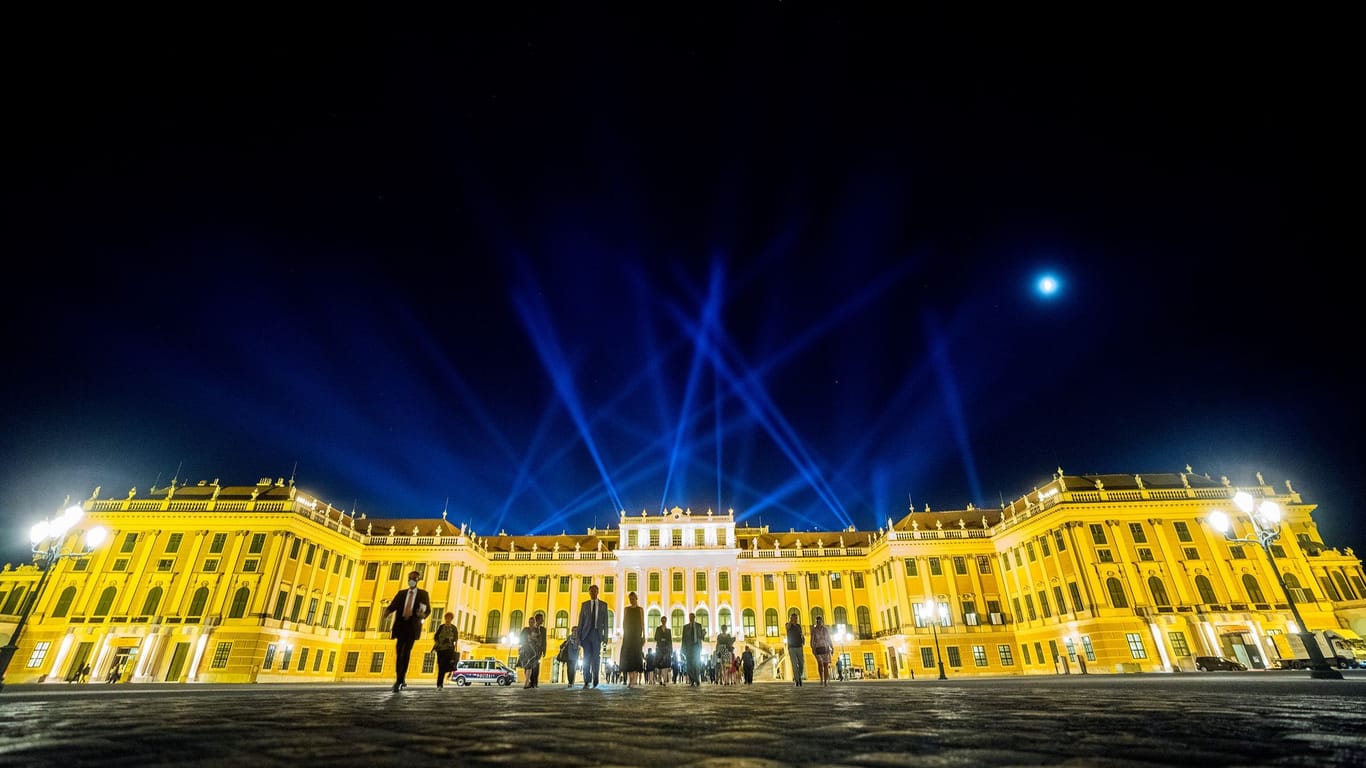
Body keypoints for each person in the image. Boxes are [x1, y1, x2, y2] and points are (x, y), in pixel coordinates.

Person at [382, 570, 430, 692]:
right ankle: (400, 678)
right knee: (399, 652)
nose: (411, 580)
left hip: (412, 626)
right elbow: (393, 605)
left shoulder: (423, 594)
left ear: (418, 580)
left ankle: (400, 679)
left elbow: (428, 610)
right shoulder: (401, 593)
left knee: (406, 652)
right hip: (401, 625)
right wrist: (387, 612)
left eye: (414, 578)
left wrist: (422, 615)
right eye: (410, 578)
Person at [576, 583, 609, 688]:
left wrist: (606, 636)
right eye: (591, 591)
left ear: (598, 592)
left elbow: (606, 623)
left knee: (596, 657)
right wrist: (578, 637)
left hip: (596, 634)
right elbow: (580, 622)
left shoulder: (603, 605)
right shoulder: (584, 605)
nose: (593, 593)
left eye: (595, 591)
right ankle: (586, 679)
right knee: (586, 657)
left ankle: (595, 677)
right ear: (589, 593)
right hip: (586, 634)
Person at [620, 591, 645, 687]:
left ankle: (634, 679)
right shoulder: (626, 609)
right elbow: (624, 622)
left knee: (636, 656)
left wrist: (644, 635)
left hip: (637, 635)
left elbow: (643, 623)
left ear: (636, 599)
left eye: (633, 599)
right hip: (628, 635)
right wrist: (624, 633)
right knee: (628, 657)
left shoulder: (640, 610)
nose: (631, 601)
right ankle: (631, 679)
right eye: (630, 599)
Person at [432, 611, 460, 689]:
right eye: (446, 618)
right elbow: (436, 636)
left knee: (444, 665)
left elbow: (456, 638)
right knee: (441, 665)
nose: (447, 619)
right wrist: (439, 640)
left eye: (449, 618)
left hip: (449, 649)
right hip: (440, 649)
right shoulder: (441, 627)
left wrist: (449, 639)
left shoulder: (453, 628)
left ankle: (440, 683)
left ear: (451, 619)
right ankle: (440, 683)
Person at [681, 611, 704, 686]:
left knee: (696, 664)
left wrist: (703, 634)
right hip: (688, 648)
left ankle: (697, 679)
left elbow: (701, 637)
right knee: (689, 664)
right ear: (689, 618)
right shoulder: (685, 627)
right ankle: (692, 680)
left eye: (692, 617)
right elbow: (683, 638)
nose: (691, 618)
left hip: (696, 646)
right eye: (690, 617)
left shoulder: (698, 626)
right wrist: (683, 649)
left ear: (694, 618)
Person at [810, 614, 833, 686]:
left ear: (822, 621)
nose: (819, 622)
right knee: (820, 664)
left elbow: (829, 638)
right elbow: (812, 640)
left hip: (825, 647)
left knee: (825, 665)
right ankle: (821, 679)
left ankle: (825, 681)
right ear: (816, 621)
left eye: (820, 621)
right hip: (818, 648)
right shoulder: (814, 630)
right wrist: (812, 648)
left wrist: (832, 647)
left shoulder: (825, 629)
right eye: (817, 621)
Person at [786, 612, 805, 687]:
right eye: (794, 618)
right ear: (791, 618)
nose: (795, 619)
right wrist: (791, 621)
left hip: (799, 646)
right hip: (791, 647)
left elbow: (801, 634)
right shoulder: (788, 625)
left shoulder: (799, 626)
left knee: (801, 664)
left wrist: (803, 639)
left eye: (796, 618)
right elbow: (787, 628)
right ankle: (797, 680)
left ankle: (798, 676)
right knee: (794, 665)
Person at [653, 614, 673, 685]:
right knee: (659, 665)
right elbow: (655, 638)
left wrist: (671, 650)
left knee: (665, 665)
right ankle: (659, 678)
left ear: (666, 621)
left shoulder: (669, 630)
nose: (664, 621)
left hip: (666, 649)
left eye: (665, 620)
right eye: (662, 620)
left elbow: (670, 641)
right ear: (661, 621)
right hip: (659, 648)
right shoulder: (658, 629)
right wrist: (661, 639)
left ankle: (664, 680)